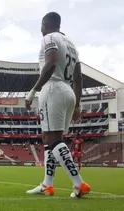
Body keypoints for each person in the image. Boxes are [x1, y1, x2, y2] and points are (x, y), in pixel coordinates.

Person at [25, 12, 91, 198]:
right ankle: (47, 184)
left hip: (53, 88)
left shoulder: (49, 38)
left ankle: (79, 183)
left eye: (41, 26)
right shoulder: (72, 45)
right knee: (49, 139)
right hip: (68, 91)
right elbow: (79, 78)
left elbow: (51, 64)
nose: (41, 29)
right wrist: (77, 103)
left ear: (45, 25)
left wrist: (33, 91)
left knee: (54, 140)